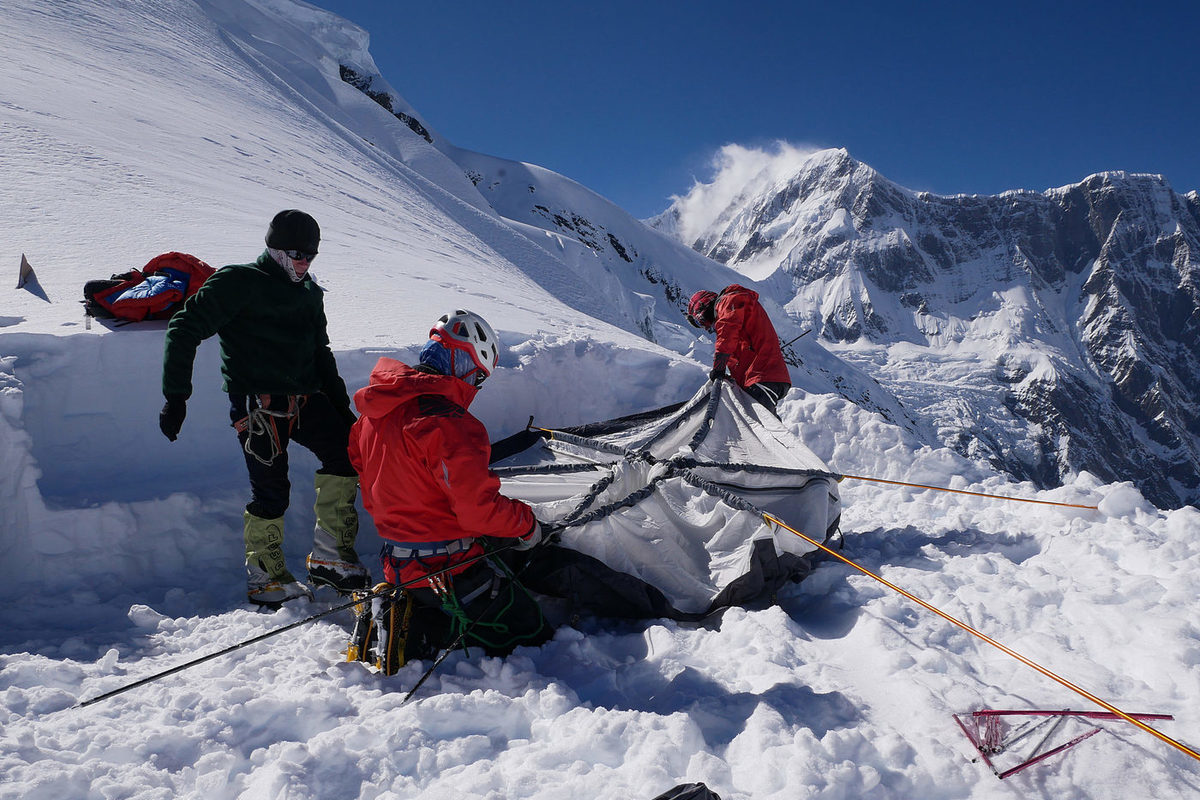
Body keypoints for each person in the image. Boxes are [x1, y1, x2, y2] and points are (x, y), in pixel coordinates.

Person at [159, 209, 371, 607]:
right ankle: (265, 577)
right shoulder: (239, 282)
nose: (304, 262)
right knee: (271, 490)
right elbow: (184, 326)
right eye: (297, 254)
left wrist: (343, 410)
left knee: (347, 454)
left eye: (311, 255)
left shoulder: (309, 292)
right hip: (258, 406)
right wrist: (176, 396)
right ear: (274, 248)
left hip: (307, 398)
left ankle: (330, 555)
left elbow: (320, 352)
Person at [348, 310, 550, 661]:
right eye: (479, 378)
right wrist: (526, 523)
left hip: (397, 566)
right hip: (450, 570)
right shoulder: (451, 424)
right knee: (535, 634)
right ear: (469, 367)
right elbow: (478, 511)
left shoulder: (372, 417)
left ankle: (405, 620)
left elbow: (367, 475)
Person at [686, 284, 792, 417]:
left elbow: (727, 334)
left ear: (704, 308)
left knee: (759, 427)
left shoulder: (728, 302)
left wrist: (719, 368)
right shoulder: (736, 304)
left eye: (702, 322)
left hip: (761, 376)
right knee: (762, 426)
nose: (707, 328)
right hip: (763, 377)